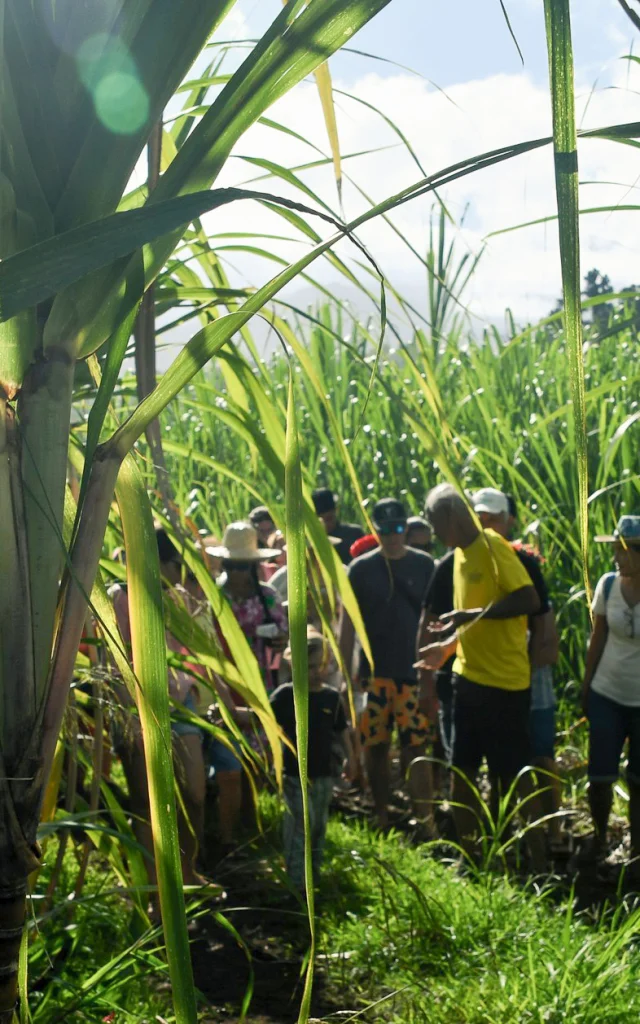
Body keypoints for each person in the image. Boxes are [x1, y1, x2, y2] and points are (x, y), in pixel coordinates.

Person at [420, 484, 546, 872]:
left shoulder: (493, 546)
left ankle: (540, 863)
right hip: (466, 681)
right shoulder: (456, 556)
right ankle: (471, 862)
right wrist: (447, 648)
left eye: (435, 523)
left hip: (505, 686)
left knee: (517, 777)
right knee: (462, 777)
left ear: (453, 518)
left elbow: (529, 600)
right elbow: (471, 622)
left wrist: (471, 614)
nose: (434, 532)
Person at [111, 529, 209, 888]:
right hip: (135, 706)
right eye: (174, 564)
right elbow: (113, 657)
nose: (177, 572)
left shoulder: (181, 599)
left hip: (179, 704)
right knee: (144, 801)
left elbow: (196, 652)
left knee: (195, 793)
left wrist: (195, 689)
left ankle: (187, 872)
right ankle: (154, 888)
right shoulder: (119, 597)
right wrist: (127, 712)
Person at [472, 489, 563, 847]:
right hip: (489, 671)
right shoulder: (469, 557)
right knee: (501, 756)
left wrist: (537, 659)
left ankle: (553, 831)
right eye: (481, 516)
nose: (487, 524)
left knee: (541, 753)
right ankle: (505, 830)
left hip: (527, 670)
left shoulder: (523, 559)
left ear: (509, 520)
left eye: (493, 517)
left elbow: (543, 616)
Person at [339, 498, 435, 832]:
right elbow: (347, 624)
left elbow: (437, 619)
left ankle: (425, 818)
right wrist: (347, 677)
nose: (392, 536)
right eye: (385, 530)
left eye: (397, 529)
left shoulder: (425, 565)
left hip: (413, 674)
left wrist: (435, 672)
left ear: (406, 529)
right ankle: (380, 813)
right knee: (375, 747)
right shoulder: (361, 569)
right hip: (373, 676)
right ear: (375, 530)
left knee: (416, 747)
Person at [271, 627, 355, 891]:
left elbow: (341, 730)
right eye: (308, 666)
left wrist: (351, 759)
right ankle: (296, 883)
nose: (315, 672)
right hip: (295, 774)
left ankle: (313, 876)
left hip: (324, 773)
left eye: (320, 665)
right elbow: (260, 717)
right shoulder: (286, 696)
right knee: (300, 824)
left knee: (318, 825)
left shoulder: (332, 697)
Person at [581, 516, 640, 870]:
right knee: (599, 776)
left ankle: (636, 849)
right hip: (607, 692)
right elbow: (598, 637)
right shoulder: (607, 586)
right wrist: (587, 688)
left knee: (638, 780)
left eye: (623, 552)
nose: (617, 559)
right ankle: (600, 838)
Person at [312, 487, 364, 565]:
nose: (327, 524)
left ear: (336, 510)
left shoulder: (354, 533)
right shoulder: (312, 543)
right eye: (322, 521)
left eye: (329, 519)